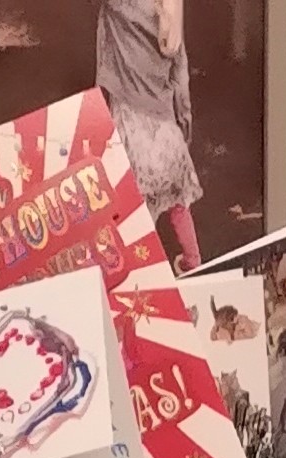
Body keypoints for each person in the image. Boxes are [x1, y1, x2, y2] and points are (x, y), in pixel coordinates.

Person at [97, 0, 203, 271]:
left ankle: (142, 272)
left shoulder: (121, 7)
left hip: (133, 128)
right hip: (165, 128)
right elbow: (180, 76)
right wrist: (184, 118)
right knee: (178, 206)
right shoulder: (171, 17)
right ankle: (193, 261)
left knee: (137, 211)